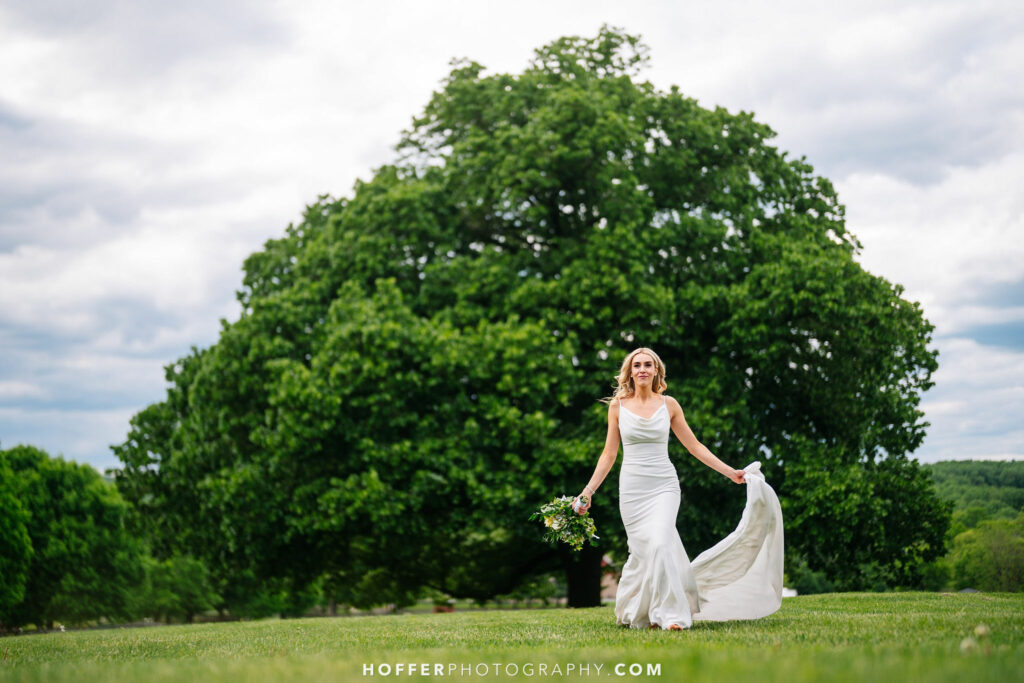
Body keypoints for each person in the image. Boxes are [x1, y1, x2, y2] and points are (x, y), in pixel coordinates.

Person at [574, 347, 784, 630]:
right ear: (630, 372)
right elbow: (609, 454)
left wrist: (730, 472)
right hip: (633, 490)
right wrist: (588, 491)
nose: (642, 369)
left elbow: (694, 446)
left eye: (648, 364)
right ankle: (643, 611)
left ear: (656, 371)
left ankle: (672, 615)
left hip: (664, 486)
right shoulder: (618, 406)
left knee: (661, 543)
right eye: (637, 365)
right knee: (643, 552)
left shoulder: (669, 405)